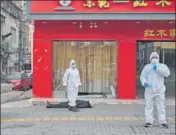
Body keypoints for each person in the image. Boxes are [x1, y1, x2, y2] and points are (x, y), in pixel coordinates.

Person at [140, 52, 170, 128]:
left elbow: (167, 73)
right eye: (153, 57)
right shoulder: (147, 67)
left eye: (155, 57)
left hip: (160, 90)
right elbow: (142, 76)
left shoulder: (162, 66)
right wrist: (144, 83)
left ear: (158, 58)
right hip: (149, 90)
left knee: (161, 106)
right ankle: (149, 121)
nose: (154, 59)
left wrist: (158, 69)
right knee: (148, 106)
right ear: (150, 59)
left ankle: (162, 122)